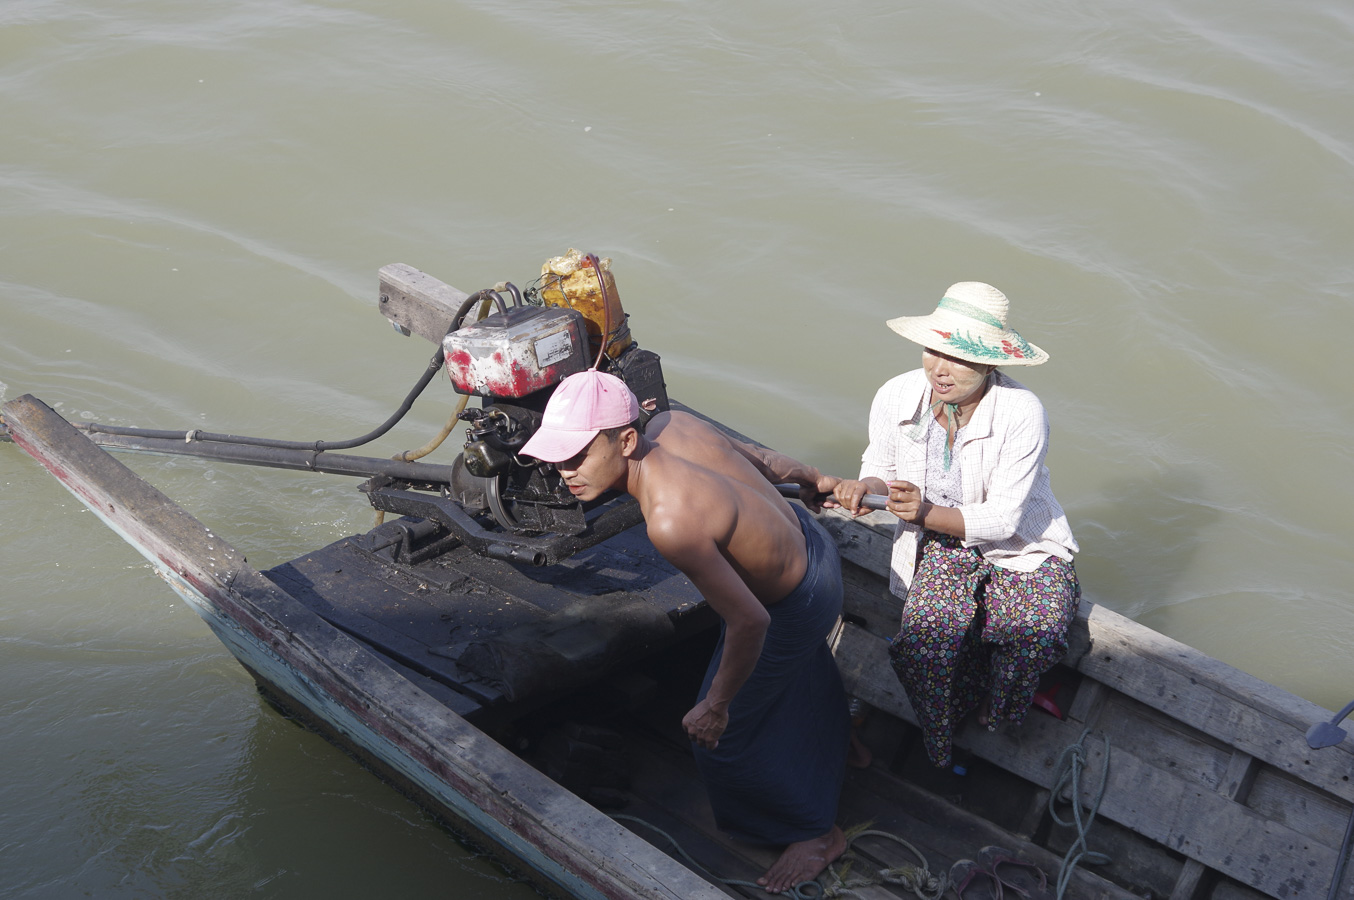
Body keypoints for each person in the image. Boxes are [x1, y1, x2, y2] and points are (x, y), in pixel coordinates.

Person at [520, 369, 850, 894]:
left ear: (627, 441)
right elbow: (766, 462)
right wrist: (815, 477)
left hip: (794, 604)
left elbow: (750, 621)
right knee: (795, 669)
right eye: (557, 458)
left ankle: (816, 834)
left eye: (577, 455)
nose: (565, 472)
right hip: (815, 544)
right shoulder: (673, 423)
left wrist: (716, 706)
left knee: (720, 740)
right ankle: (847, 749)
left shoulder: (671, 520)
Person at [830, 282, 1080, 770]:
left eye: (959, 358)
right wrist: (865, 489)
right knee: (923, 648)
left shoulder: (1022, 412)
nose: (940, 369)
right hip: (941, 543)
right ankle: (947, 726)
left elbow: (1003, 518)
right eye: (933, 351)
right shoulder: (897, 394)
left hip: (1022, 545)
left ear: (989, 365)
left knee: (1037, 632)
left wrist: (921, 511)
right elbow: (879, 467)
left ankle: (998, 704)